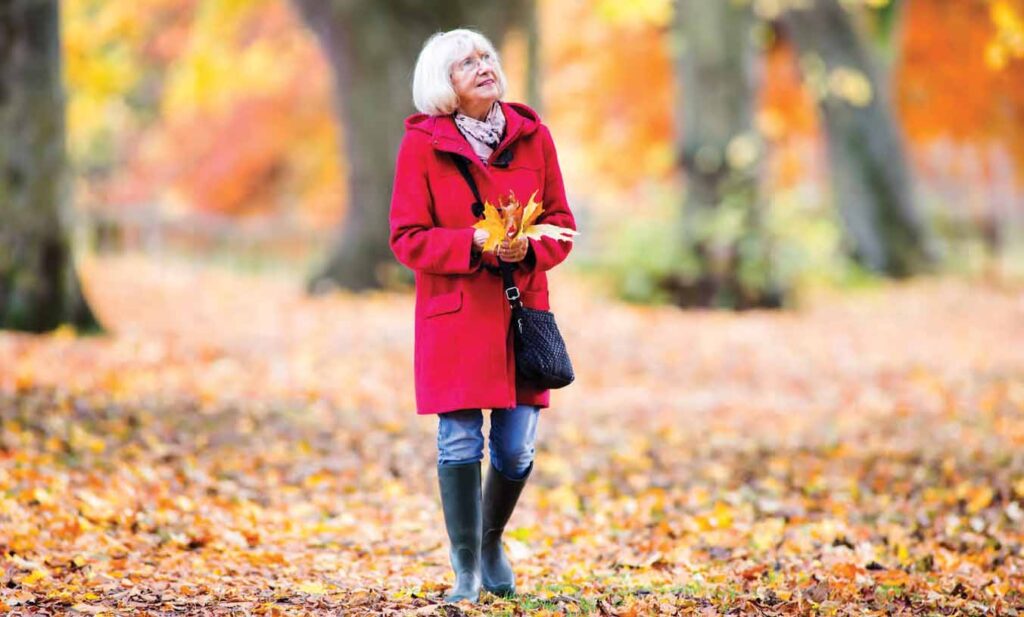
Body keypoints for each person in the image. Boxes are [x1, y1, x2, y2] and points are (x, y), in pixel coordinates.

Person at [388, 28, 576, 603]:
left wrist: (532, 250)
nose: (482, 66)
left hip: (521, 313)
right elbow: (406, 237)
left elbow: (562, 223)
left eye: (486, 57)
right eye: (465, 63)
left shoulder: (533, 136)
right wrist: (473, 245)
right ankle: (466, 567)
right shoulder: (422, 145)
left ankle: (491, 539)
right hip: (456, 313)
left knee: (516, 446)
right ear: (442, 84)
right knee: (459, 440)